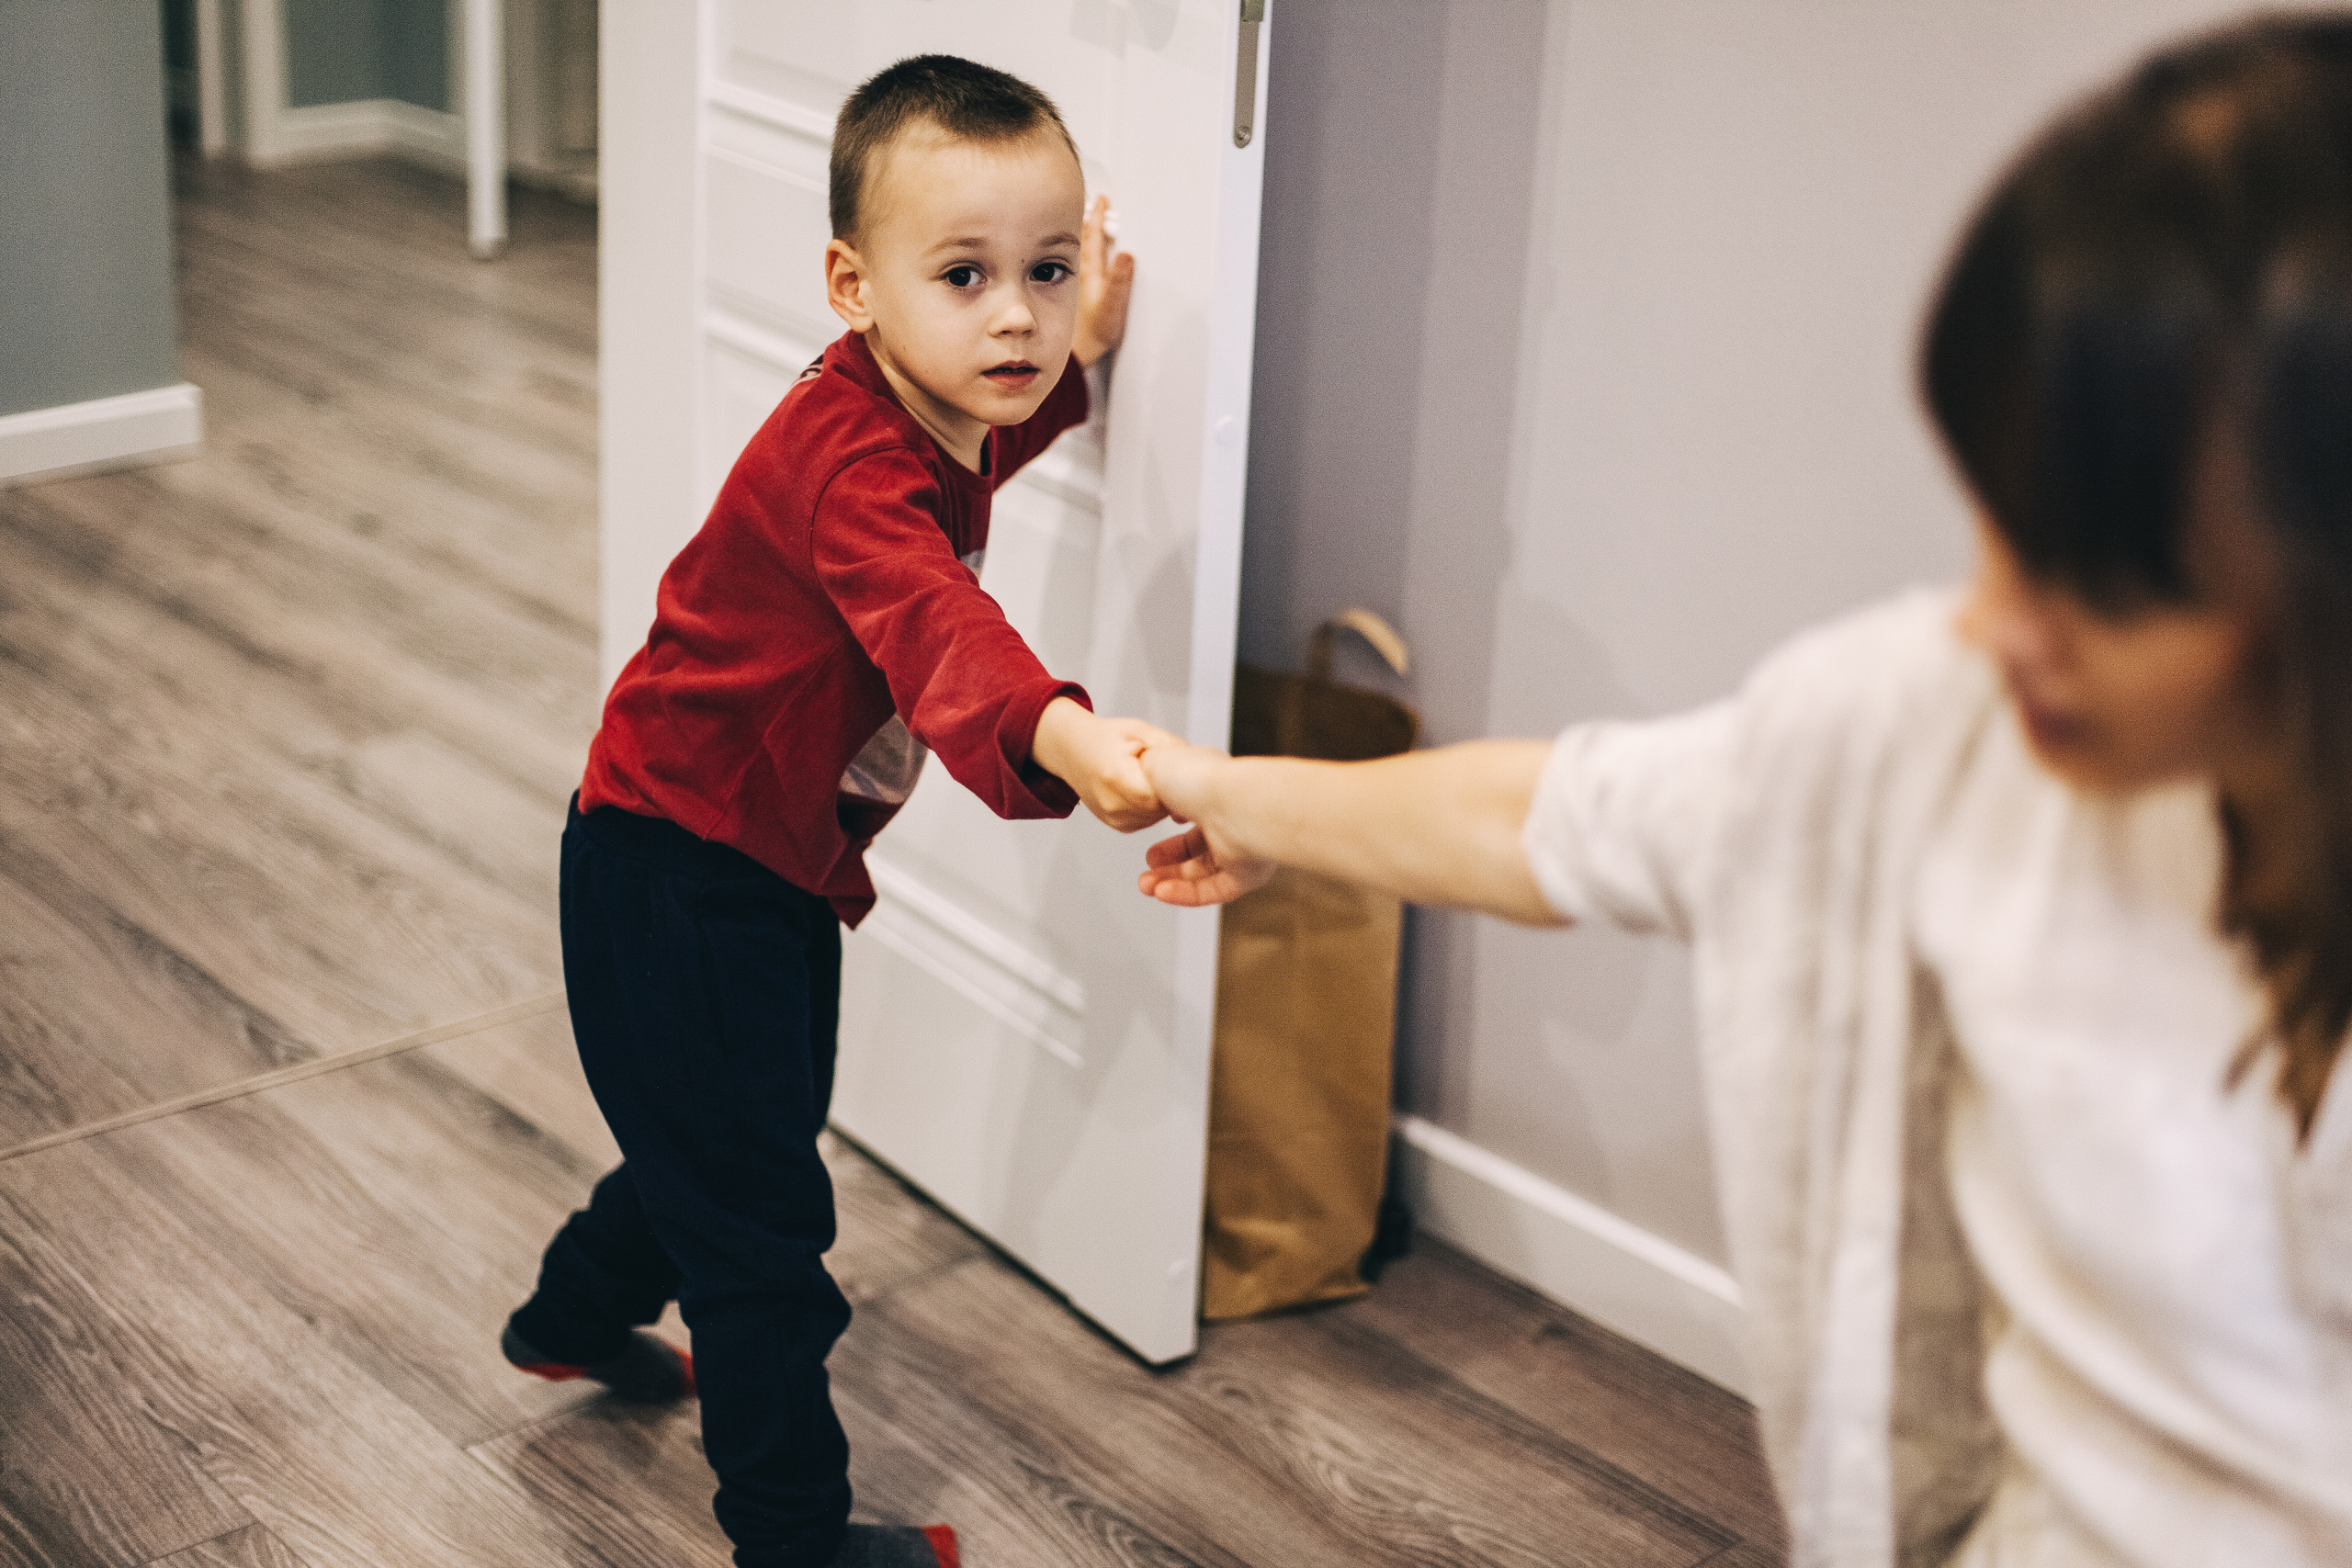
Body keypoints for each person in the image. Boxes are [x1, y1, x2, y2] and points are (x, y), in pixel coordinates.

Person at [1137, 15, 2352, 1566]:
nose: (1993, 623)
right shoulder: (1935, 722)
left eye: (2103, 584)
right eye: (1999, 520)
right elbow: (1563, 819)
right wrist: (1226, 792)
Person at [500, 55, 1162, 1568]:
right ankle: (792, 1540)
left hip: (744, 862)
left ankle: (567, 1314)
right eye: (968, 275)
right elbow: (933, 617)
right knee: (762, 1234)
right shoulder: (845, 464)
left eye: (1048, 272)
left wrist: (1086, 362)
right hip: (677, 878)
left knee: (735, 1142)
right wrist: (1059, 734)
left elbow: (989, 438)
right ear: (852, 286)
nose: (1017, 316)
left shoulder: (919, 400)